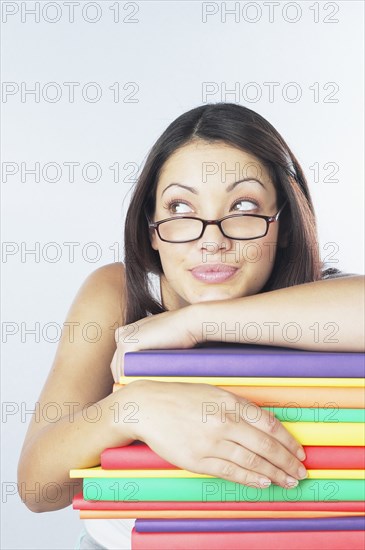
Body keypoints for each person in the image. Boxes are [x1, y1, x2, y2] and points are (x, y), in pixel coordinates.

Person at [18, 103, 364, 550]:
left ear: (285, 226)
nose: (211, 239)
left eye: (243, 205)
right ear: (153, 231)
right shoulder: (118, 292)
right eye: (180, 207)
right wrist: (133, 409)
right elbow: (38, 490)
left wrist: (197, 320)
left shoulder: (326, 301)